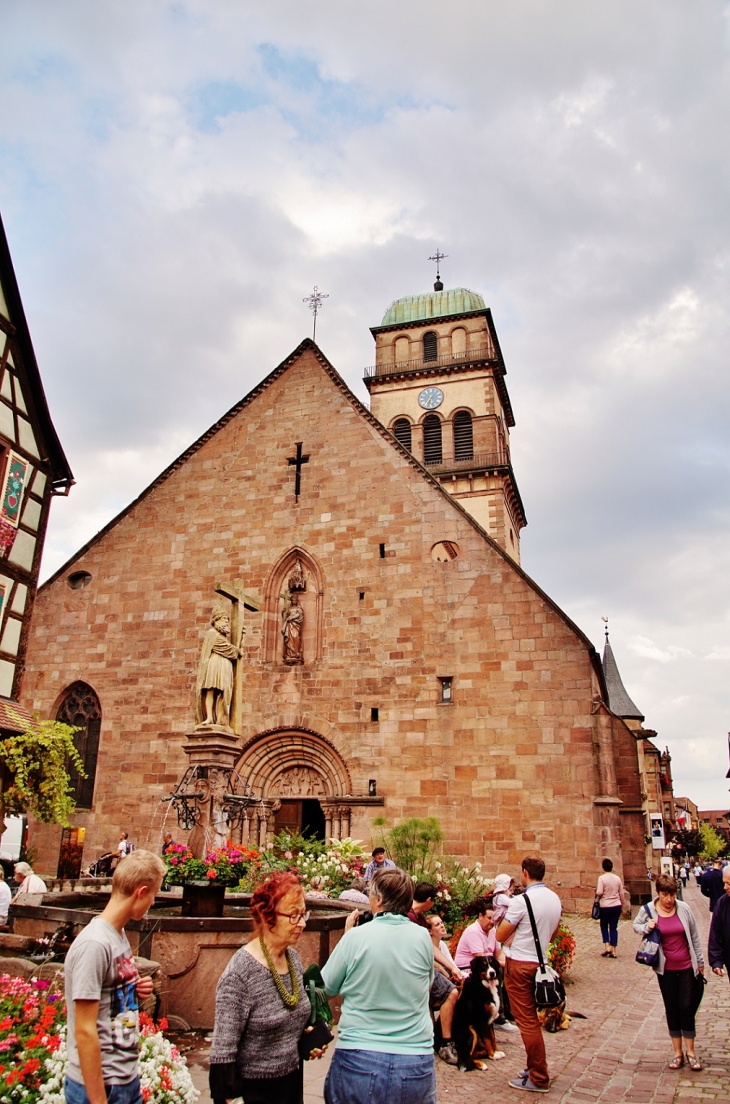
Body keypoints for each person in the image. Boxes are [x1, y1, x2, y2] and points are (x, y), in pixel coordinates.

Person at [322, 867, 436, 1104]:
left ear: (380, 899)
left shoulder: (356, 937)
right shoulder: (423, 937)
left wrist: (347, 936)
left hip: (360, 1055)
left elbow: (325, 987)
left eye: (371, 894)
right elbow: (426, 985)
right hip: (414, 1058)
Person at [209, 872, 325, 1104]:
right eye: (293, 915)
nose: (302, 923)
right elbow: (223, 1052)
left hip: (291, 1085)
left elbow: (290, 1018)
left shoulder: (292, 958)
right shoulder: (240, 973)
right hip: (254, 1092)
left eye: (303, 914)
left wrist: (307, 1040)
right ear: (266, 916)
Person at [63, 850, 166, 1104]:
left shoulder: (116, 935)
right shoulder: (95, 944)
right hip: (101, 1087)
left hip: (124, 1081)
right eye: (153, 895)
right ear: (141, 892)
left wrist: (133, 987)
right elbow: (85, 1030)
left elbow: (109, 1000)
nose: (153, 903)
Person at [496, 854, 562, 1094]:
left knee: (527, 1023)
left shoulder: (521, 901)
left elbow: (500, 935)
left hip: (520, 966)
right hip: (541, 967)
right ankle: (533, 1067)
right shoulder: (554, 899)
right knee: (531, 1020)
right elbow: (553, 935)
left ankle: (539, 1077)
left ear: (525, 872)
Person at [633, 873, 704, 1070]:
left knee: (687, 1007)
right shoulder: (649, 909)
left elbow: (695, 936)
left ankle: (691, 1052)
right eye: (665, 895)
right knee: (672, 1008)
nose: (669, 900)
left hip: (687, 966)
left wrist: (700, 962)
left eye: (672, 895)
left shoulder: (684, 909)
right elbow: (635, 926)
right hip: (665, 969)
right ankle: (677, 1053)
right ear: (658, 893)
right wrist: (646, 927)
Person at [408, 882, 462, 1065]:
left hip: (425, 968)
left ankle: (439, 1039)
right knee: (451, 993)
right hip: (416, 970)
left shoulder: (420, 918)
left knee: (450, 991)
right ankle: (446, 1044)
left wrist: (452, 968)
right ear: (429, 900)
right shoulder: (409, 917)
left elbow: (431, 948)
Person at [454, 896, 517, 1032]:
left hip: (485, 965)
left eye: (494, 919)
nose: (492, 922)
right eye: (489, 918)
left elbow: (498, 953)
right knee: (497, 972)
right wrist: (502, 965)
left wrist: (510, 963)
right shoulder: (473, 931)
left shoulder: (492, 931)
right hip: (468, 969)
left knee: (508, 970)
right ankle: (498, 1016)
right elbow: (481, 960)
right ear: (480, 916)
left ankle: (507, 1009)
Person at [196, 605, 240, 727]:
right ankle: (209, 717)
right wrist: (236, 651)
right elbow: (224, 648)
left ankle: (221, 719)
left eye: (227, 619)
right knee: (211, 690)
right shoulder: (212, 633)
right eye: (224, 619)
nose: (227, 621)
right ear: (216, 620)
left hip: (225, 665)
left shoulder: (223, 636)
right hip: (214, 665)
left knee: (224, 692)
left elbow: (229, 649)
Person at [595, 858, 624, 958]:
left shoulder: (602, 878)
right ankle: (614, 950)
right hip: (616, 905)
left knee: (604, 926)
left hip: (605, 906)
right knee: (613, 927)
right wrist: (622, 904)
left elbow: (599, 892)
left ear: (603, 867)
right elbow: (621, 893)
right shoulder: (617, 878)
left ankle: (607, 946)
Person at [708, 864, 730, 982]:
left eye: (729, 884)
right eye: (724, 883)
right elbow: (716, 933)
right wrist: (716, 961)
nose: (725, 887)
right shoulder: (722, 903)